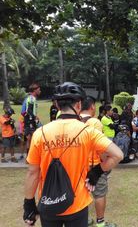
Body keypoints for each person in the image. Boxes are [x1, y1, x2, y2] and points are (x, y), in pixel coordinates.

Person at [23, 82, 124, 227]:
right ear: (78, 105)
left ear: (57, 105)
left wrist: (29, 204)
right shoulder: (88, 131)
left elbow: (33, 173)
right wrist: (96, 172)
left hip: (48, 202)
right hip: (77, 203)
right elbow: (118, 155)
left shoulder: (40, 133)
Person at [80, 96, 116, 227]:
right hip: (94, 164)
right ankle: (100, 223)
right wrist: (105, 161)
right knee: (99, 193)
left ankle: (83, 220)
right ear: (92, 106)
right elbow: (99, 146)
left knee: (81, 192)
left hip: (77, 164)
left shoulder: (73, 120)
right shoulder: (95, 122)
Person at [21, 82, 41, 155]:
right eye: (39, 89)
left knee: (29, 139)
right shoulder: (32, 99)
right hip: (30, 121)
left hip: (28, 120)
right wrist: (34, 118)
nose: (40, 91)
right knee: (32, 138)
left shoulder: (29, 98)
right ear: (35, 90)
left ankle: (28, 157)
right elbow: (27, 111)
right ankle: (31, 157)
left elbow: (23, 111)